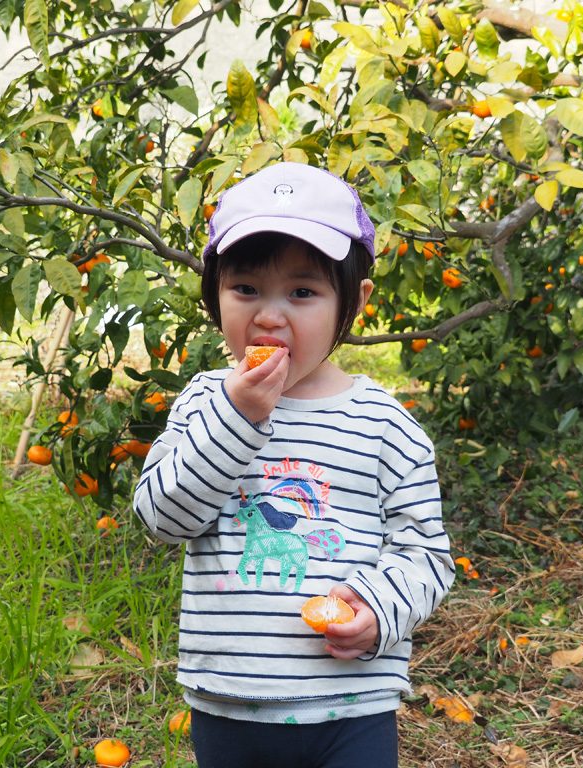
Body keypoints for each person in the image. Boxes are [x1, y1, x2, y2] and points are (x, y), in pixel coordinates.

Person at [133, 162, 454, 768]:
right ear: (215, 295)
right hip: (228, 703)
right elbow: (163, 518)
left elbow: (426, 554)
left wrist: (379, 607)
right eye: (246, 289)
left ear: (351, 302)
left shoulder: (386, 424)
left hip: (352, 706)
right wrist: (237, 417)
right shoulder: (205, 401)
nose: (270, 316)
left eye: (302, 293)